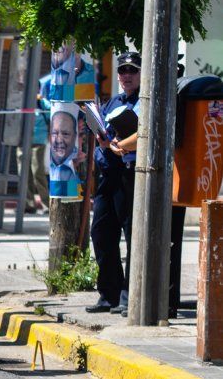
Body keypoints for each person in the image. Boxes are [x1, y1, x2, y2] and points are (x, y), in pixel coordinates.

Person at [85, 52, 141, 316]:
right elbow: (103, 133)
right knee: (101, 233)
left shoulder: (144, 101)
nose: (126, 75)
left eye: (132, 70)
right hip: (109, 174)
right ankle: (109, 292)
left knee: (132, 236)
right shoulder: (114, 101)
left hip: (131, 172)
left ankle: (129, 296)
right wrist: (101, 137)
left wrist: (118, 145)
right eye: (122, 71)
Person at [20, 75, 51, 213]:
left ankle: (46, 204)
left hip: (38, 142)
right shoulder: (21, 102)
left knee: (38, 172)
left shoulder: (41, 103)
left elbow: (52, 113)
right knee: (24, 174)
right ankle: (28, 204)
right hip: (21, 142)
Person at [49, 110, 78, 182]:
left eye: (65, 134)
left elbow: (70, 192)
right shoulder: (50, 162)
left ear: (74, 137)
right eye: (54, 133)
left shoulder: (77, 165)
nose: (59, 140)